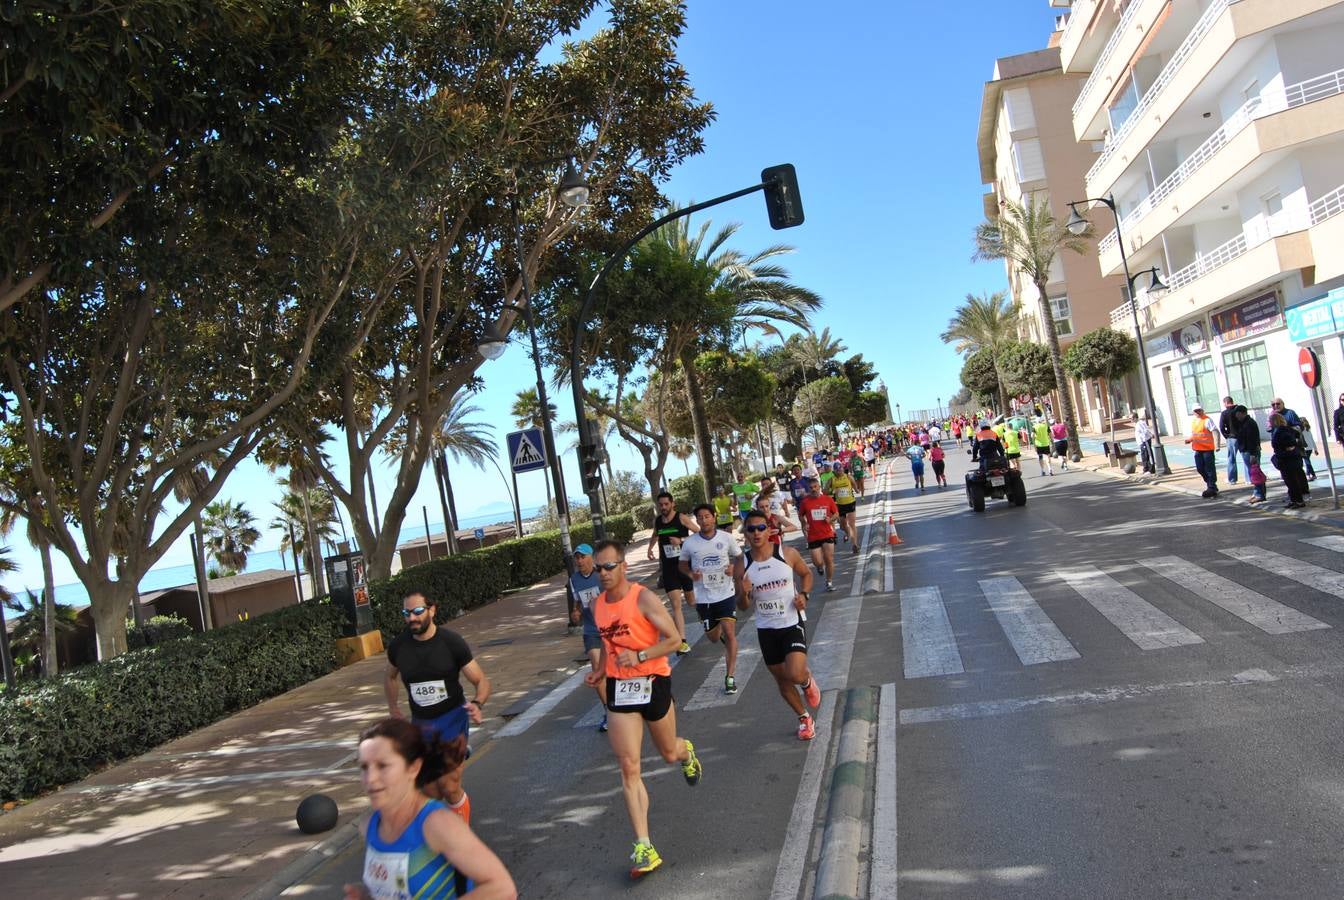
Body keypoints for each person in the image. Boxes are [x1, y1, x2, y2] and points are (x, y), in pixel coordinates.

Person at [585, 539, 702, 879]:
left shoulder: (644, 598)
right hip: (621, 688)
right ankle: (643, 845)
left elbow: (675, 639)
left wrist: (639, 656)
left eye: (609, 566)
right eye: (598, 567)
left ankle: (687, 753)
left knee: (668, 752)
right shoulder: (598, 606)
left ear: (624, 566)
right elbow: (609, 644)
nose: (603, 573)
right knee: (628, 766)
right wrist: (602, 670)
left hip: (653, 681)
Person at [347, 718, 516, 900]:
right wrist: (365, 896)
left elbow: (502, 888)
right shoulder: (369, 828)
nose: (370, 778)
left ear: (413, 768)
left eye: (383, 766)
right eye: (364, 767)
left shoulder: (437, 824)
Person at [384, 592, 491, 824]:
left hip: (453, 718)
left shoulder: (451, 643)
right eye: (406, 613)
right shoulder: (398, 647)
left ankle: (460, 842)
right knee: (431, 791)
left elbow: (481, 681)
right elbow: (390, 677)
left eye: (418, 611)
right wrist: (393, 708)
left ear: (432, 610)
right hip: (422, 724)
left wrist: (477, 703)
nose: (412, 617)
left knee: (450, 786)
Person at [738, 509, 822, 741]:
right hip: (766, 629)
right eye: (751, 529)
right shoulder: (741, 564)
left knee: (795, 673)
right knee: (782, 680)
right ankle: (804, 718)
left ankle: (806, 681)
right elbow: (743, 606)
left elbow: (806, 575)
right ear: (745, 533)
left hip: (790, 622)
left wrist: (804, 595)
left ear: (770, 530)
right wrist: (743, 594)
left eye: (761, 528)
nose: (756, 533)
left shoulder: (787, 553)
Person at [679, 503, 746, 694]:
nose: (704, 520)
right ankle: (718, 633)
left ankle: (730, 677)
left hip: (725, 593)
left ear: (714, 517)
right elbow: (682, 565)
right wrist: (692, 575)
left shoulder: (726, 538)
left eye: (707, 516)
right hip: (704, 597)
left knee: (730, 631)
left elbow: (739, 558)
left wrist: (734, 569)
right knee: (714, 637)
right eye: (699, 518)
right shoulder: (690, 543)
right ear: (696, 520)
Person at [645, 491, 698, 655]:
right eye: (660, 505)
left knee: (691, 601)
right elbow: (655, 534)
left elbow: (698, 533)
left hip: (684, 566)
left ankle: (709, 614)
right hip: (668, 569)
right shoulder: (658, 521)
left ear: (672, 503)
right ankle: (682, 642)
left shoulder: (681, 518)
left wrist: (680, 541)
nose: (663, 507)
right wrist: (650, 548)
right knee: (676, 605)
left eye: (666, 504)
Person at [568, 543, 608, 732]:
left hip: (611, 628)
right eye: (577, 557)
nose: (579, 561)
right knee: (597, 667)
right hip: (591, 630)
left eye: (583, 556)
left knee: (617, 668)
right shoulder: (574, 579)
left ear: (592, 557)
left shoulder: (601, 574)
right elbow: (577, 602)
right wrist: (575, 613)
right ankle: (608, 710)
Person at [797, 476, 840, 592]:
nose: (813, 489)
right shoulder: (805, 502)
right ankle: (820, 567)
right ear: (808, 489)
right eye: (811, 488)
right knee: (817, 562)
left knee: (829, 559)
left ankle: (829, 582)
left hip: (827, 534)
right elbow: (800, 515)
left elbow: (836, 513)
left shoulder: (827, 499)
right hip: (813, 536)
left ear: (819, 487)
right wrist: (804, 523)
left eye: (815, 487)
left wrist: (830, 520)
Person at [1268, 412, 1308, 509]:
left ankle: (1299, 501)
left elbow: (1291, 443)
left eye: (1270, 421)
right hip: (1288, 459)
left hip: (1288, 460)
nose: (1269, 423)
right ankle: (1294, 500)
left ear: (1274, 421)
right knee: (1290, 481)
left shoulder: (1282, 431)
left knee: (1292, 481)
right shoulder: (1281, 430)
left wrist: (1287, 449)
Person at [1233, 406, 1266, 504]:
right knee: (1254, 473)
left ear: (1242, 413)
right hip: (1246, 450)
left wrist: (1252, 454)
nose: (1236, 416)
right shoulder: (1243, 423)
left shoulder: (1249, 423)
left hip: (1250, 451)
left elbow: (1252, 439)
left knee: (1255, 473)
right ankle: (1258, 493)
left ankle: (1259, 494)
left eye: (1237, 413)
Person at [1185, 405, 1219, 497]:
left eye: (1199, 410)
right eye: (1196, 411)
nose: (1198, 412)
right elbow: (1196, 434)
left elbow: (1215, 431)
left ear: (1202, 410)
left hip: (1207, 449)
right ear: (1193, 412)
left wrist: (1217, 445)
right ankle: (1210, 483)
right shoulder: (1194, 421)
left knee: (1209, 469)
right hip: (1198, 449)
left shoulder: (1207, 420)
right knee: (1200, 468)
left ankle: (1211, 486)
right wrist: (1190, 439)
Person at [827, 461, 860, 552]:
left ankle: (855, 545)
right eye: (837, 470)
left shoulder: (848, 476)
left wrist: (856, 489)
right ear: (834, 471)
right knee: (843, 525)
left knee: (851, 524)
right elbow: (825, 491)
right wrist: (833, 491)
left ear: (842, 469)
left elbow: (854, 484)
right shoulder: (832, 479)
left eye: (840, 469)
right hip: (839, 505)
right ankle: (847, 533)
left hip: (850, 502)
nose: (839, 471)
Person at [1218, 396, 1239, 484]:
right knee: (1246, 457)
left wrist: (1226, 435)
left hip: (1232, 437)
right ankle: (1249, 478)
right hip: (1241, 436)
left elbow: (1222, 427)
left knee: (1231, 458)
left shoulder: (1225, 413)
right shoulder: (1239, 410)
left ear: (1225, 403)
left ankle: (1232, 479)